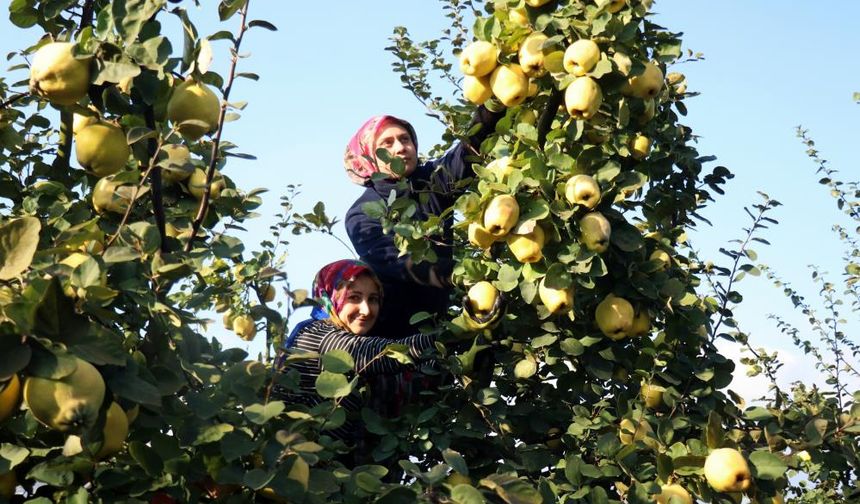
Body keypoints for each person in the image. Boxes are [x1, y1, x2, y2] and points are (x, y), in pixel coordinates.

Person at [344, 107, 502, 337]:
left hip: (437, 334)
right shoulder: (361, 215)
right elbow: (400, 261)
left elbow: (469, 150)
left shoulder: (431, 182)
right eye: (387, 143)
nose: (400, 148)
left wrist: (492, 105)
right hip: (387, 339)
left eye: (405, 139)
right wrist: (460, 275)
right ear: (368, 157)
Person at [272, 259, 435, 445]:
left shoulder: (367, 370)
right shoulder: (314, 335)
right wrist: (450, 334)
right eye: (354, 297)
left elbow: (415, 385)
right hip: (294, 465)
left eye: (373, 299)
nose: (366, 310)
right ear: (329, 298)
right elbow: (373, 353)